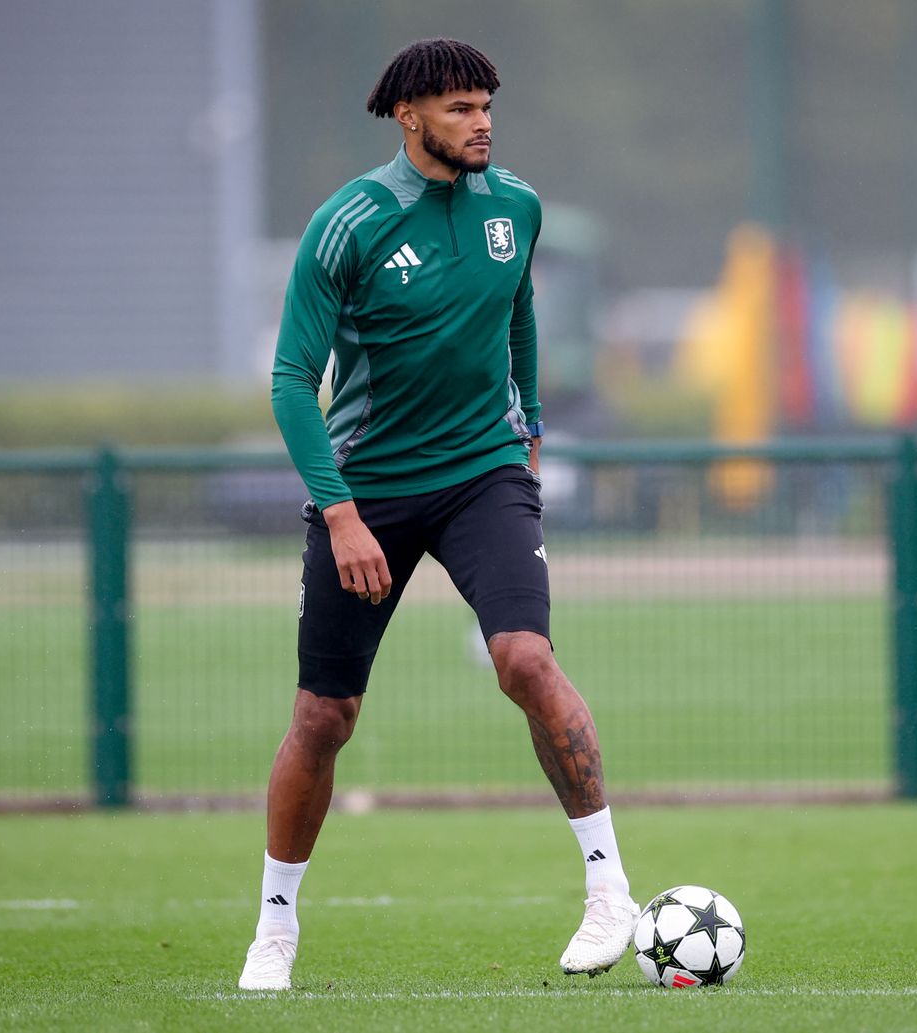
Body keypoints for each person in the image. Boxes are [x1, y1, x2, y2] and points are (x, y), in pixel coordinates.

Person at [237, 38, 637, 991]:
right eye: (459, 108)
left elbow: (518, 316)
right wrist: (339, 514)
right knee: (324, 716)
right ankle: (275, 928)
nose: (482, 121)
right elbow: (296, 380)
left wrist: (529, 424)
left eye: (486, 104)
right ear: (409, 117)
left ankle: (609, 891)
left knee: (526, 660)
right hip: (366, 489)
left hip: (482, 474)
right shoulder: (349, 223)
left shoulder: (519, 207)